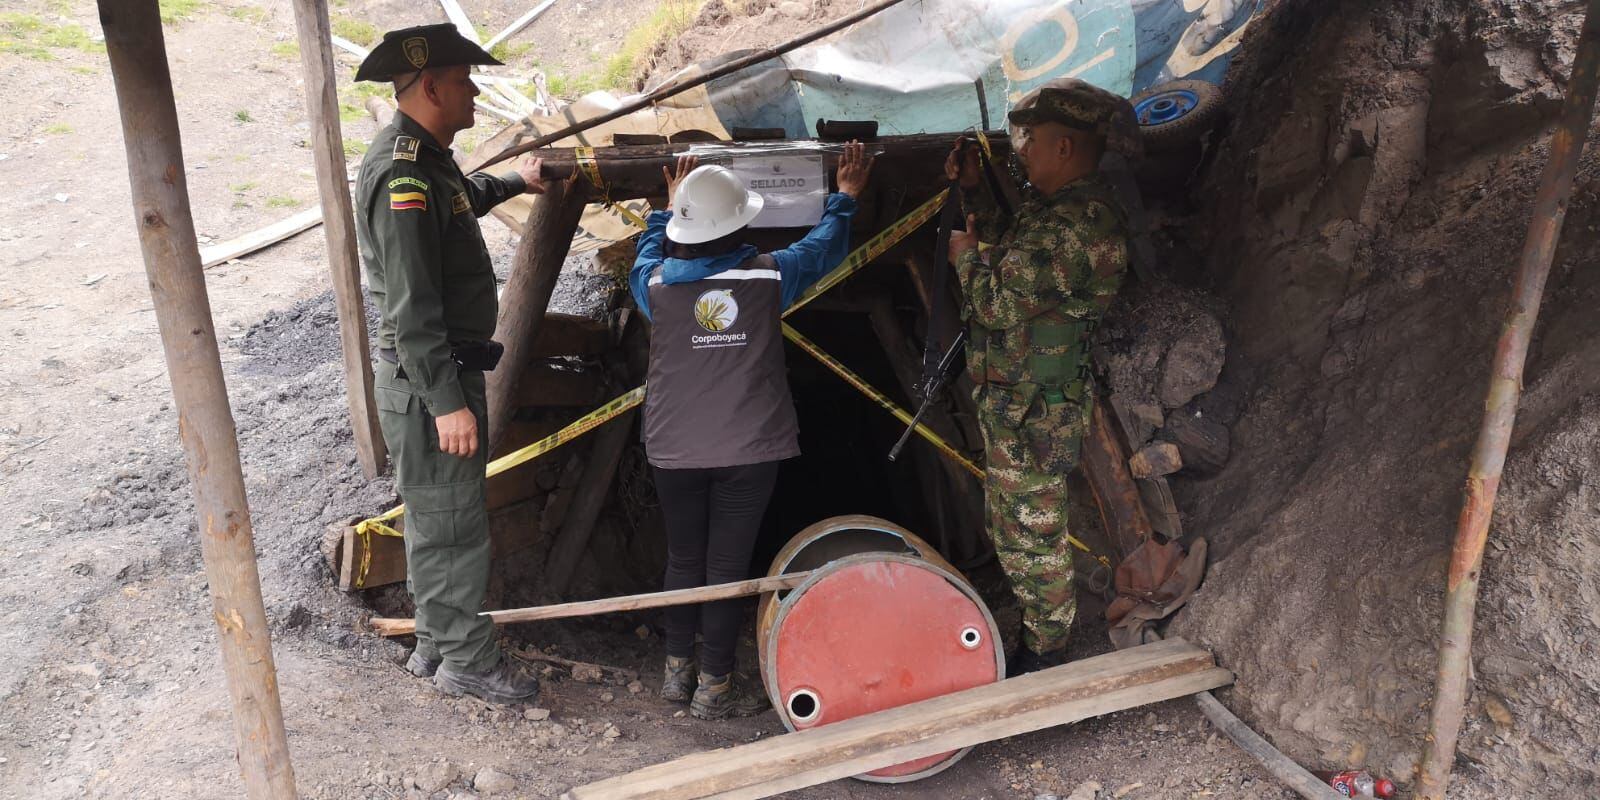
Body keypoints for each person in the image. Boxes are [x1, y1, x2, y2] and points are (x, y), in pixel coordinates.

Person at [629, 144, 873, 719]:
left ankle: (675, 673)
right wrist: (846, 198)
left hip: (675, 449)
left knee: (684, 561)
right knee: (726, 567)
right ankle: (714, 687)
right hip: (749, 449)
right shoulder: (769, 276)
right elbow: (822, 248)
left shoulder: (658, 286)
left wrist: (665, 213)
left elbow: (646, 254)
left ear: (686, 227)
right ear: (742, 220)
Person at [353, 23, 553, 704]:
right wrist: (447, 400)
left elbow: (459, 201)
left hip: (432, 376)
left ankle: (437, 647)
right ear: (431, 87)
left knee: (437, 519)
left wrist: (516, 180)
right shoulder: (403, 174)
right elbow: (412, 308)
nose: (474, 91)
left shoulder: (428, 163)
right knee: (456, 526)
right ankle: (468, 661)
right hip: (427, 381)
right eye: (465, 81)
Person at [945, 78, 1140, 675]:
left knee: (1033, 531)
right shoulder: (1052, 214)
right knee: (1013, 527)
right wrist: (975, 197)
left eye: (1032, 140)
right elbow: (1009, 251)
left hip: (1039, 409)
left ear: (1065, 148)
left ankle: (1047, 652)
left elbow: (997, 303)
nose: (1022, 151)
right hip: (1018, 403)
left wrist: (964, 260)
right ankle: (1038, 629)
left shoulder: (1082, 225)